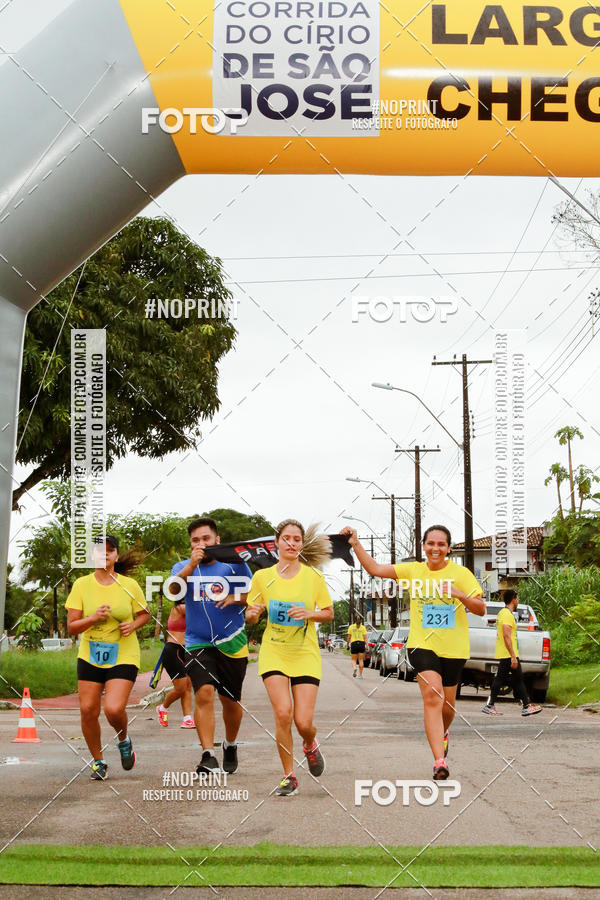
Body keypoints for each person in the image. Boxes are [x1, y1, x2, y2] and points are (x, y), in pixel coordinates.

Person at [341, 524, 485, 781]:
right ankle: (439, 761)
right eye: (431, 543)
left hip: (454, 648)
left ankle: (442, 732)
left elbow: (481, 608)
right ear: (424, 546)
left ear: (449, 548)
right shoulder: (413, 571)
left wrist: (459, 594)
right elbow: (374, 568)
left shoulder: (461, 574)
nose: (436, 548)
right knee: (432, 695)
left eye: (441, 544)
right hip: (422, 644)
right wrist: (355, 543)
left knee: (447, 707)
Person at [245, 520, 334, 796]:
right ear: (277, 543)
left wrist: (309, 614)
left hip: (304, 653)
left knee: (303, 722)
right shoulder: (262, 577)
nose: (292, 543)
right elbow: (249, 616)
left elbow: (328, 612)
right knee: (283, 713)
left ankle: (309, 744)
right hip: (274, 651)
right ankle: (288, 776)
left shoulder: (313, 577)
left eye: (297, 539)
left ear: (302, 544)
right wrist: (254, 612)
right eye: (287, 539)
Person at [168, 517, 251, 775]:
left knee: (230, 701)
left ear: (217, 540)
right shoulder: (182, 567)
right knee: (203, 693)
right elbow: (172, 592)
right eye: (195, 540)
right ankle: (208, 755)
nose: (201, 544)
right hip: (197, 642)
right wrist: (190, 566)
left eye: (206, 539)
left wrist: (233, 598)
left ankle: (231, 744)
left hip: (232, 641)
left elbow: (253, 595)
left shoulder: (234, 566)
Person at [66, 536, 150, 780]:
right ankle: (98, 761)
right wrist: (93, 618)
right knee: (88, 710)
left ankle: (123, 739)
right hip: (90, 654)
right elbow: (72, 627)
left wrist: (132, 625)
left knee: (113, 709)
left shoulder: (129, 585)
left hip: (123, 653)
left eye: (110, 551)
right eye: (100, 552)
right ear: (93, 556)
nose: (105, 555)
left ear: (115, 556)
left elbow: (145, 615)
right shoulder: (81, 585)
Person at [482, 590, 542, 717]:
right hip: (508, 654)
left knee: (517, 679)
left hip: (508, 653)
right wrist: (513, 656)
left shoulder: (504, 613)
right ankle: (490, 705)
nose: (518, 600)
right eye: (517, 598)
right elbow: (506, 636)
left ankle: (526, 705)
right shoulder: (506, 615)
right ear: (514, 599)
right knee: (505, 680)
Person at [156, 601, 194, 728]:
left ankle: (187, 718)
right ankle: (163, 707)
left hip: (187, 650)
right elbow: (196, 612)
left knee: (188, 685)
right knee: (181, 687)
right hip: (173, 650)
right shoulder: (179, 608)